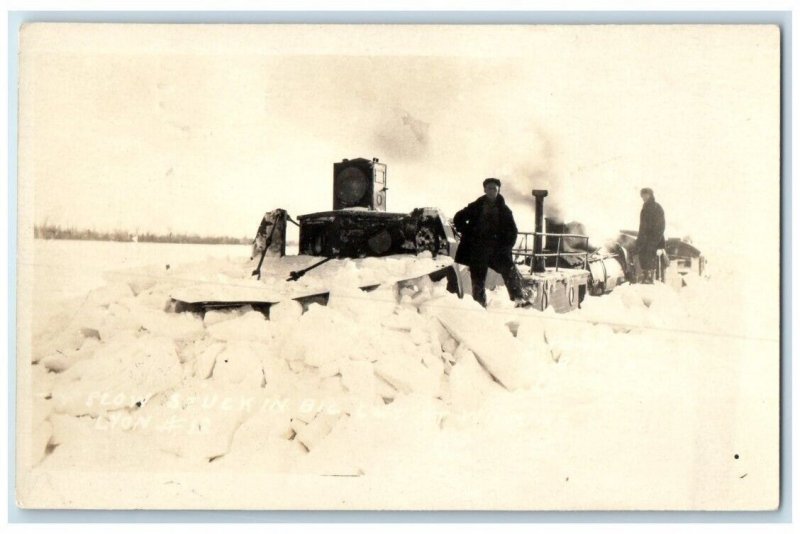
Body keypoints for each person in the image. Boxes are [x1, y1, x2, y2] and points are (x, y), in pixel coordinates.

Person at [453, 178, 527, 307]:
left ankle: (518, 298)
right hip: (478, 249)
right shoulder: (476, 206)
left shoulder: (505, 210)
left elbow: (513, 232)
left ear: (498, 190)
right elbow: (458, 218)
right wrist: (467, 232)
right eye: (489, 188)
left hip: (496, 251)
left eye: (494, 188)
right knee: (477, 279)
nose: (492, 191)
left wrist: (505, 247)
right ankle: (479, 306)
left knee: (509, 269)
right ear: (485, 190)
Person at [635, 187, 666, 284]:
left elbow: (661, 226)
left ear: (650, 195)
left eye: (645, 195)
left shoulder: (657, 207)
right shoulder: (644, 208)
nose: (643, 197)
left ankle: (650, 278)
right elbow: (642, 226)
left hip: (654, 239)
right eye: (642, 196)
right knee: (642, 255)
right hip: (644, 239)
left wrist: (654, 241)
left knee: (650, 255)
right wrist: (639, 239)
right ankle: (646, 276)